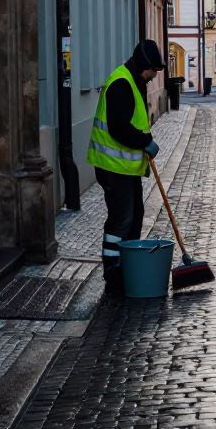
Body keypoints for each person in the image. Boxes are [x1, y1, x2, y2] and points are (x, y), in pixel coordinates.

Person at [86, 39, 165, 295]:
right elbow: (118, 128)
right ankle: (113, 273)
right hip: (113, 167)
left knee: (134, 218)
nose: (154, 76)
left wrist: (145, 141)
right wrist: (145, 142)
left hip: (125, 169)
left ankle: (129, 267)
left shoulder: (133, 81)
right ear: (144, 64)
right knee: (121, 221)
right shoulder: (121, 83)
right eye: (153, 70)